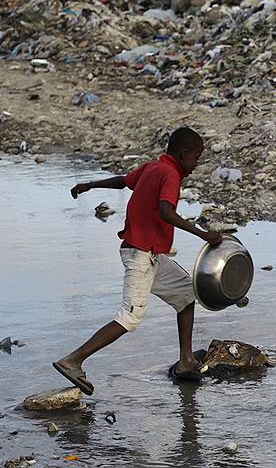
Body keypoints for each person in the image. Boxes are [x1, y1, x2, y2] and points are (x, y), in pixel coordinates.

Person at [53, 127, 223, 395]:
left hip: (151, 254)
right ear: (184, 153)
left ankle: (186, 361)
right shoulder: (169, 174)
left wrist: (89, 184)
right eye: (196, 158)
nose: (195, 165)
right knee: (130, 317)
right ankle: (73, 360)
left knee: (187, 294)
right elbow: (166, 212)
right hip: (140, 255)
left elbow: (124, 181)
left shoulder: (154, 167)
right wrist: (203, 234)